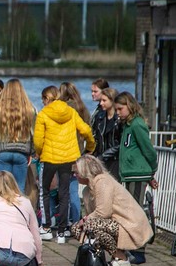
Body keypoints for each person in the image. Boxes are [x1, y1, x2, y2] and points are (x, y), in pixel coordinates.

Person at [35, 86, 95, 244]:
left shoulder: (43, 114)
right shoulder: (71, 112)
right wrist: (90, 147)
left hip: (49, 158)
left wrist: (39, 152)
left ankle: (46, 228)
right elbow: (86, 131)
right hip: (68, 158)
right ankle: (62, 232)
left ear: (46, 99)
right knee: (64, 194)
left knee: (45, 192)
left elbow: (38, 140)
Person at [72, 155, 153, 266]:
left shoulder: (102, 181)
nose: (74, 175)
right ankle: (113, 256)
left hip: (129, 224)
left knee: (90, 225)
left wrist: (84, 220)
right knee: (77, 228)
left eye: (77, 172)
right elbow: (94, 215)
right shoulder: (87, 191)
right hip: (115, 223)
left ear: (85, 171)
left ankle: (122, 259)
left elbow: (103, 212)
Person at [0, 79, 36, 193]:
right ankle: (18, 210)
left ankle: (5, 210)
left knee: (4, 189)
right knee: (19, 189)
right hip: (21, 153)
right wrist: (32, 152)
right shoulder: (29, 109)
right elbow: (34, 134)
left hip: (3, 151)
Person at [115, 92, 158, 202]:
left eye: (120, 109)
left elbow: (149, 150)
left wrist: (152, 171)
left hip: (137, 174)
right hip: (130, 173)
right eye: (116, 110)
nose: (117, 113)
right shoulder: (127, 125)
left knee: (134, 210)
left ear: (129, 106)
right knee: (130, 209)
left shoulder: (137, 124)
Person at [59, 81, 92, 226]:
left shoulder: (63, 109)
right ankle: (77, 221)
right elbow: (88, 130)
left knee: (65, 191)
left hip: (64, 153)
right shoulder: (83, 109)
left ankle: (67, 223)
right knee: (74, 191)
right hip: (78, 154)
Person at [92, 88, 122, 179]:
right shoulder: (99, 117)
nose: (101, 103)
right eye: (101, 100)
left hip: (115, 161)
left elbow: (120, 143)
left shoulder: (119, 120)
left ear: (112, 101)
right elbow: (96, 139)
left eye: (104, 100)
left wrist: (104, 155)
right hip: (100, 160)